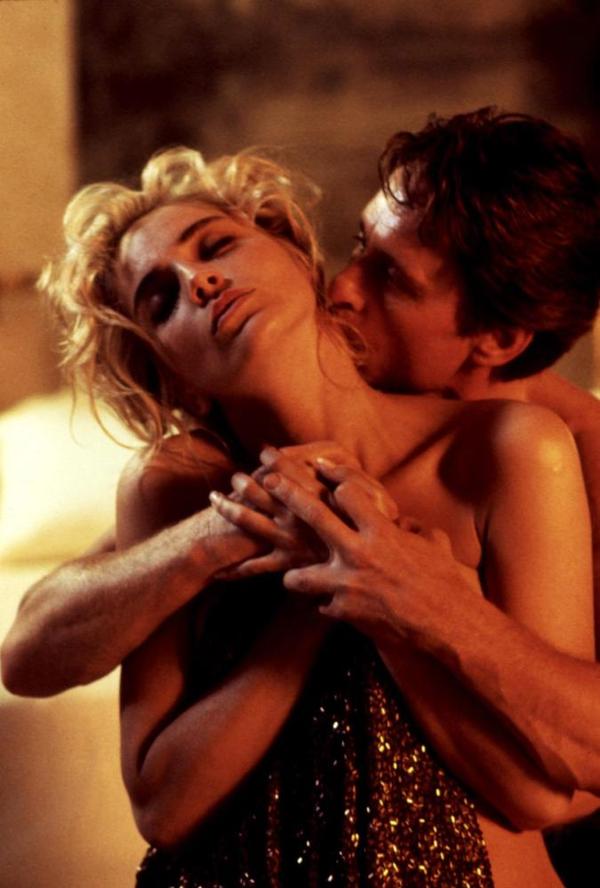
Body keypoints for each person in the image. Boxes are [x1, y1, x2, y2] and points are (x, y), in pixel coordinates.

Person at [23, 136, 595, 886]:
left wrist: (398, 589)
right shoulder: (181, 486)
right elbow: (43, 662)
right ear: (173, 374)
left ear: (296, 259)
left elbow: (549, 789)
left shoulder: (520, 439)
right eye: (159, 300)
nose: (199, 281)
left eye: (217, 245)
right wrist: (289, 574)